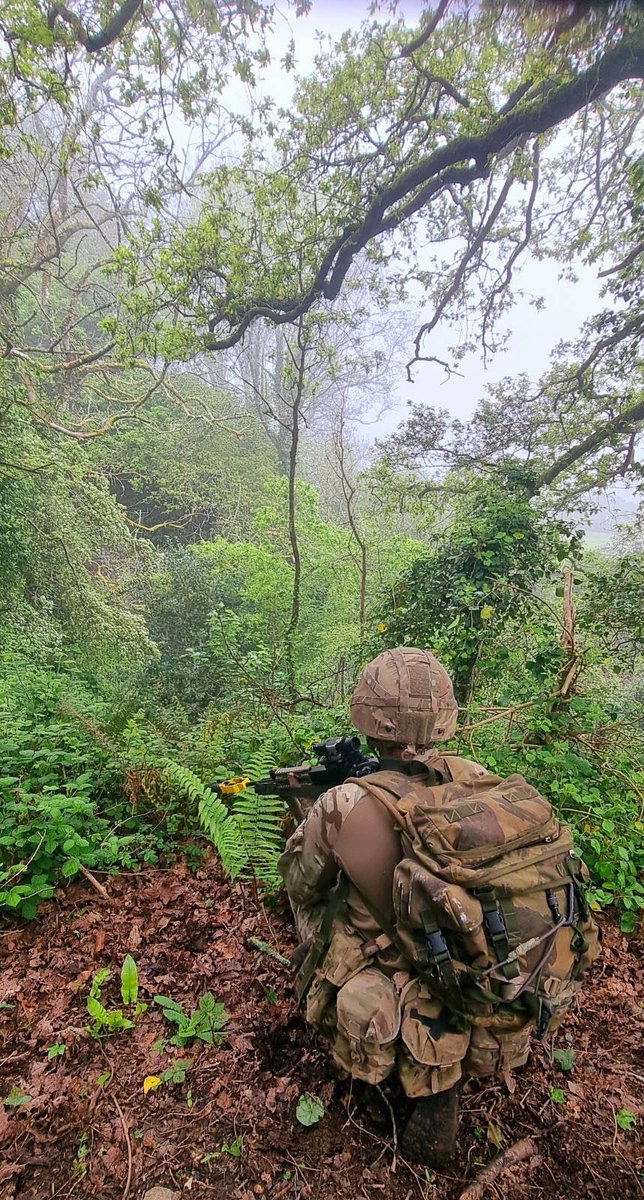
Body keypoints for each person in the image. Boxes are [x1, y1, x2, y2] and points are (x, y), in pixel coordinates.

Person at [278, 647, 599, 1166]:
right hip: (481, 956)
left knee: (320, 910)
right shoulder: (475, 775)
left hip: (402, 965)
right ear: (444, 719)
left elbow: (300, 882)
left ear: (367, 718)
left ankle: (383, 1060)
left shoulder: (343, 804)